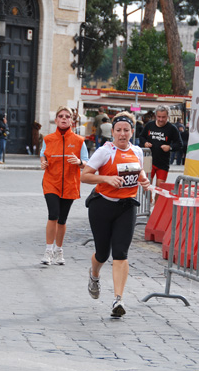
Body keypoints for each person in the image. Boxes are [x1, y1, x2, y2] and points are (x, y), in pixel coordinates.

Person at [81, 111, 150, 318]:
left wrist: (144, 181)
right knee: (102, 253)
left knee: (120, 252)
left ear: (131, 132)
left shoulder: (137, 151)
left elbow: (140, 172)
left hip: (126, 207)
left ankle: (118, 300)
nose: (122, 134)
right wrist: (105, 179)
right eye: (118, 130)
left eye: (126, 130)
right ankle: (94, 275)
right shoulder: (105, 151)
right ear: (112, 132)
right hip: (101, 206)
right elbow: (85, 176)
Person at [40, 106, 89, 265]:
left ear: (72, 121)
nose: (64, 118)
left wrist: (80, 162)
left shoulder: (79, 141)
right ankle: (48, 251)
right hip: (51, 182)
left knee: (62, 220)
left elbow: (87, 163)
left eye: (67, 116)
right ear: (56, 120)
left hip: (69, 183)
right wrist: (43, 163)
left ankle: (59, 250)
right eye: (60, 116)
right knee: (53, 214)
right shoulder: (48, 139)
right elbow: (43, 155)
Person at [140, 104, 182, 195]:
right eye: (159, 117)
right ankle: (149, 203)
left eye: (164, 117)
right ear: (155, 116)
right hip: (148, 160)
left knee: (160, 189)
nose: (161, 119)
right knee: (146, 187)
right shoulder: (149, 125)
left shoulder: (172, 128)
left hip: (163, 162)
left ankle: (155, 207)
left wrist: (170, 147)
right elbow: (141, 137)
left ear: (168, 116)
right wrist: (145, 143)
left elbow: (179, 144)